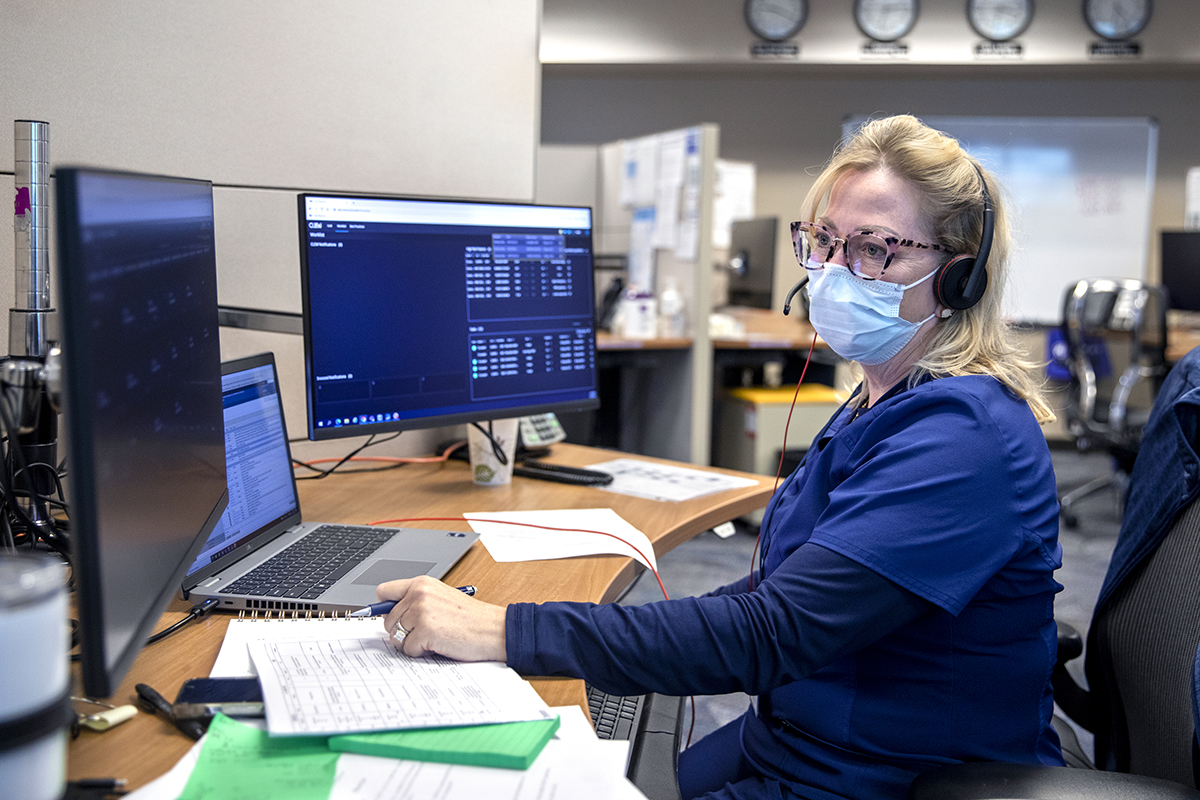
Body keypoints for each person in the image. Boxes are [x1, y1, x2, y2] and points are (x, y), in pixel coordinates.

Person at [376, 115, 1066, 800]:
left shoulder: (966, 439)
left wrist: (506, 629)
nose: (832, 272)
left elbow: (776, 632)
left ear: (959, 279)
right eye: (823, 241)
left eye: (875, 249)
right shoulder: (882, 398)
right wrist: (554, 628)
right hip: (792, 738)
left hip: (883, 778)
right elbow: (780, 596)